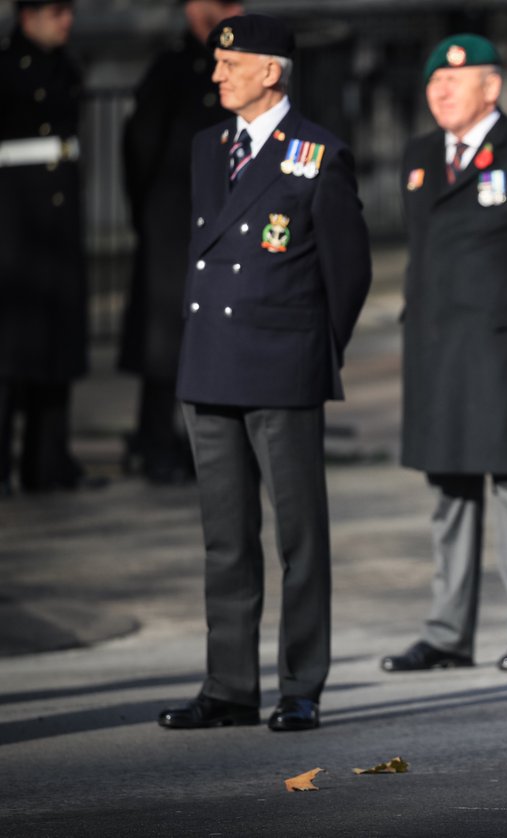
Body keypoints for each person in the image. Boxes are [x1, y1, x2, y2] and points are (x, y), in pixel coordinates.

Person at [157, 13, 372, 732]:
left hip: (282, 368)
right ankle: (228, 686)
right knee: (225, 538)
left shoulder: (319, 153)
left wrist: (311, 348)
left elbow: (349, 273)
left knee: (298, 540)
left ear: (271, 70)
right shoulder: (206, 147)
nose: (216, 73)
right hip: (209, 365)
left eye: (231, 63)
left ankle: (300, 683)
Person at [381, 34, 507, 674]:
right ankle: (447, 633)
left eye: (456, 79)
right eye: (433, 83)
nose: (440, 91)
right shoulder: (420, 158)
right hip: (440, 355)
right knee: (450, 491)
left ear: (492, 87)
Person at [118, 0, 244, 484]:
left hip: (221, 224)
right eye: (223, 4)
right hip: (173, 224)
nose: (235, 11)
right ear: (197, 11)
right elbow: (140, 145)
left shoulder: (241, 67)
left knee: (212, 336)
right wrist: (149, 216)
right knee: (163, 343)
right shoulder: (172, 68)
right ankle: (155, 441)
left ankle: (202, 444)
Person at [0, 0, 88, 495]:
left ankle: (48, 460)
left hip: (57, 225)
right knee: (10, 354)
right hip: (14, 222)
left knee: (57, 342)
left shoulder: (66, 66)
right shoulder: (6, 68)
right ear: (27, 15)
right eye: (56, 11)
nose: (66, 22)